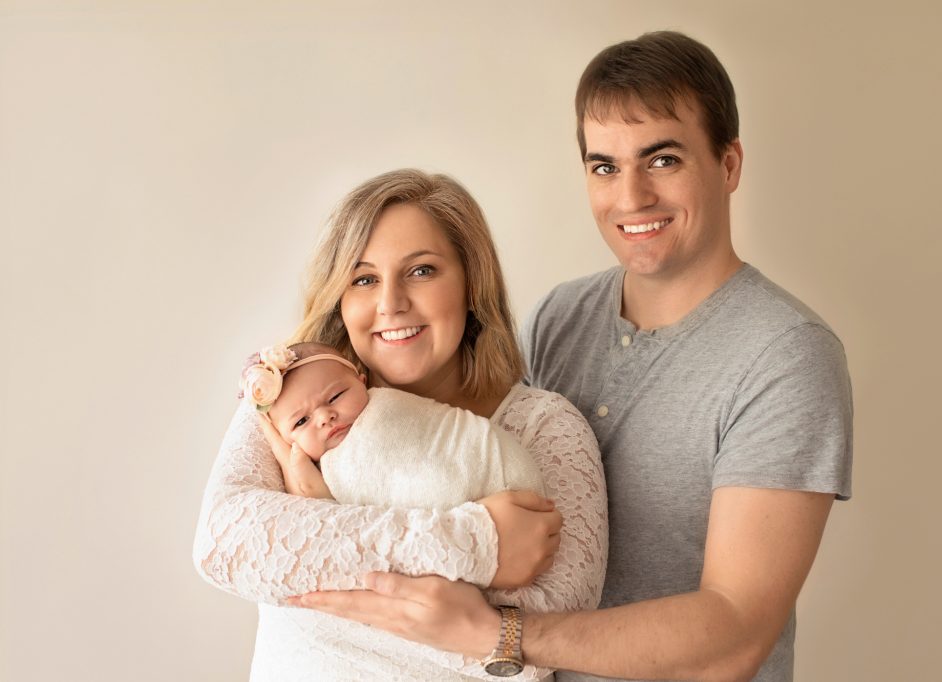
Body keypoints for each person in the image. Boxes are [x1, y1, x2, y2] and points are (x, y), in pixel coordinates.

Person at [286, 31, 853, 682]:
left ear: (728, 165)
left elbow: (735, 633)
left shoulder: (785, 355)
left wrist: (495, 632)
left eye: (662, 160)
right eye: (605, 166)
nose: (632, 197)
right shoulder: (561, 318)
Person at [193, 169, 608, 681]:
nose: (390, 303)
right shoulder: (289, 394)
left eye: (421, 271)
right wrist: (479, 543)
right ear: (340, 299)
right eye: (363, 279)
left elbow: (541, 653)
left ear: (472, 285)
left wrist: (317, 534)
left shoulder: (545, 428)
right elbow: (222, 545)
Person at [241, 341, 545, 506]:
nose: (324, 417)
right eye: (302, 421)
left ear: (362, 382)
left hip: (503, 477)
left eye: (335, 396)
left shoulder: (385, 407)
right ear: (283, 438)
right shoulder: (298, 459)